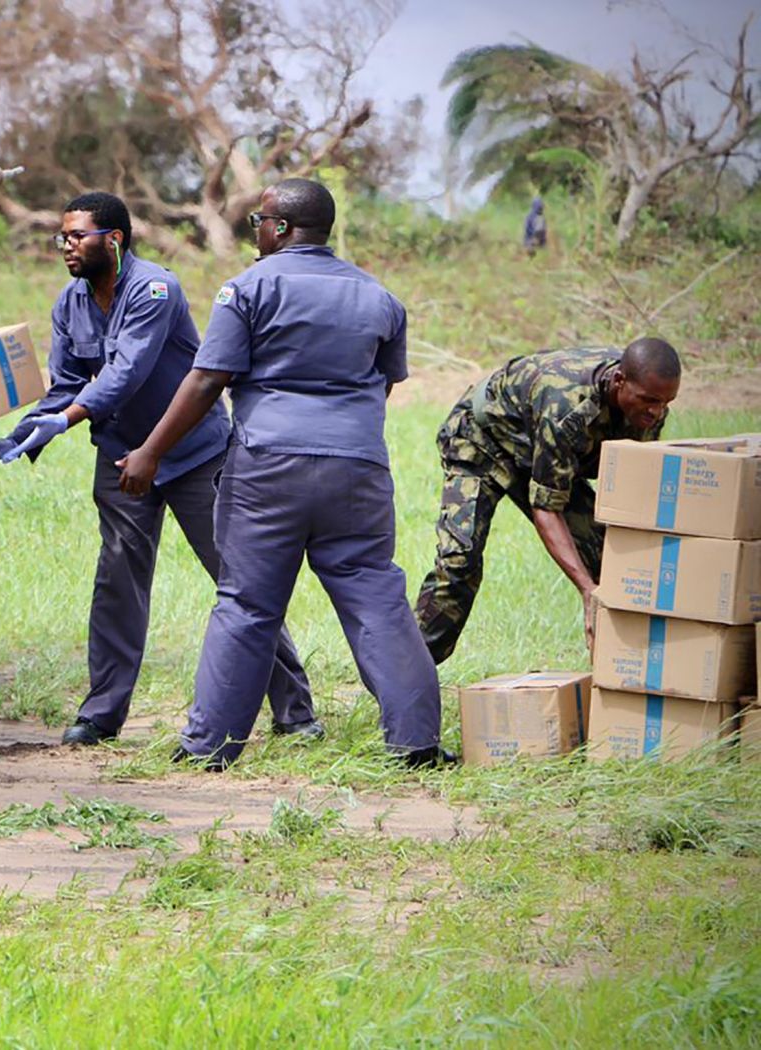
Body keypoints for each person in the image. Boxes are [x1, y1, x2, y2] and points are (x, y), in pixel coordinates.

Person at [0, 192, 318, 746]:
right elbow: (70, 383)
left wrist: (71, 416)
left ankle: (294, 712)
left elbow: (127, 370)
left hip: (193, 454)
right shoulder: (69, 303)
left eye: (77, 235)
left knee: (238, 582)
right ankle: (101, 715)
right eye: (63, 236)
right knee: (117, 583)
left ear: (115, 239)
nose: (67, 246)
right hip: (122, 456)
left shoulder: (155, 288)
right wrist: (31, 429)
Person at [118, 179, 447, 769]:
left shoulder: (247, 289)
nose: (257, 234)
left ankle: (210, 748)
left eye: (259, 223)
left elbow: (205, 381)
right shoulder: (379, 298)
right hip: (359, 470)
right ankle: (417, 743)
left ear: (282, 229)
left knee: (246, 605)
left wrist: (150, 452)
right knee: (376, 598)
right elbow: (387, 380)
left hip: (268, 467)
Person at [415, 340, 680, 663]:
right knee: (460, 562)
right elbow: (547, 510)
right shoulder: (567, 408)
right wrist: (587, 590)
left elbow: (633, 484)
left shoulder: (648, 397)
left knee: (612, 559)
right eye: (650, 401)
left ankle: (628, 675)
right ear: (619, 381)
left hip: (538, 446)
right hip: (481, 440)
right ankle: (407, 676)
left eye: (667, 402)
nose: (658, 411)